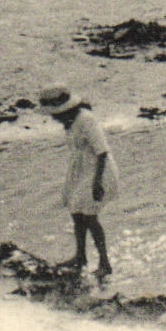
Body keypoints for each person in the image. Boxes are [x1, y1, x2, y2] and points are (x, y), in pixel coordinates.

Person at [39, 85, 118, 278]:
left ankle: (105, 263)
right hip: (81, 171)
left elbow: (102, 152)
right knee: (76, 213)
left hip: (98, 172)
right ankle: (81, 257)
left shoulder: (86, 120)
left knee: (90, 216)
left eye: (54, 113)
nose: (53, 117)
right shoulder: (71, 121)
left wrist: (97, 183)